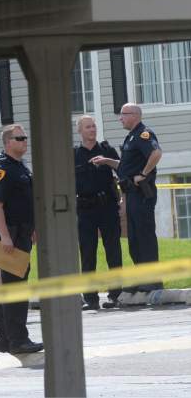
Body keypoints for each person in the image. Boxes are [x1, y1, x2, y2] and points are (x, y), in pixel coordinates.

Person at [92, 103, 163, 293]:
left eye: (123, 114)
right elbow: (124, 166)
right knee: (134, 238)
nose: (120, 118)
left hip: (141, 194)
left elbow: (156, 153)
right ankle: (142, 279)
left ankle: (154, 280)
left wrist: (143, 173)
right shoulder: (131, 136)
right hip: (131, 194)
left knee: (144, 236)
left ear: (134, 115)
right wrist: (107, 161)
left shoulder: (143, 134)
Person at [0, 124, 43, 354]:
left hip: (21, 234)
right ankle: (18, 340)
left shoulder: (19, 168)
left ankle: (3, 339)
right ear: (8, 142)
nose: (24, 141)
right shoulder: (1, 169)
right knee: (16, 290)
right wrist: (5, 237)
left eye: (25, 138)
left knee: (12, 288)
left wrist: (34, 227)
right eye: (20, 138)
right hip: (10, 236)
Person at [74, 115, 123, 310]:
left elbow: (123, 169)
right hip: (85, 209)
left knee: (113, 250)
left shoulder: (106, 150)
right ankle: (91, 298)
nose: (92, 130)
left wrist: (107, 161)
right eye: (88, 127)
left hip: (107, 206)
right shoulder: (74, 154)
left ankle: (116, 294)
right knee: (87, 253)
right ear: (80, 131)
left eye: (94, 126)